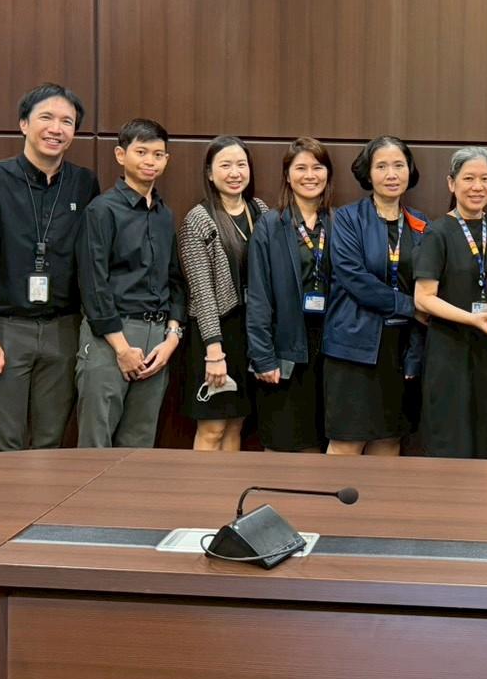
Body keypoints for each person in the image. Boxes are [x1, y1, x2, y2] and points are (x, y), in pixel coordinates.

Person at [0, 83, 100, 452]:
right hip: (6, 328)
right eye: (46, 118)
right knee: (2, 445)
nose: (56, 129)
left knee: (50, 445)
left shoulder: (84, 183)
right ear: (24, 124)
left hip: (64, 329)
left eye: (67, 121)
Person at [75, 118, 186, 449]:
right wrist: (122, 349)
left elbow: (175, 280)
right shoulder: (102, 210)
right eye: (142, 152)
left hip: (157, 340)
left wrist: (172, 338)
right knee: (96, 443)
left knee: (139, 447)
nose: (151, 161)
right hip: (111, 336)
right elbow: (93, 284)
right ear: (121, 155)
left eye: (158, 154)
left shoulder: (165, 215)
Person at [413, 147, 487, 459]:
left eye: (485, 179)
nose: (477, 187)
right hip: (449, 352)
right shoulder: (437, 232)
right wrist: (471, 318)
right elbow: (423, 299)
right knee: (451, 442)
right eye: (469, 178)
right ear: (451, 183)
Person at [324, 136, 428, 456]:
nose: (391, 174)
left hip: (401, 349)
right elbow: (354, 279)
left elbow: (426, 282)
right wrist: (412, 306)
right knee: (347, 443)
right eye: (381, 166)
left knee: (389, 441)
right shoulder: (347, 218)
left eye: (399, 165)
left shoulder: (421, 224)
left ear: (409, 171)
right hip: (354, 348)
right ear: (368, 174)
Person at [177, 136, 268, 452]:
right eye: (225, 165)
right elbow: (202, 293)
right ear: (210, 173)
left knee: (237, 422)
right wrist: (214, 352)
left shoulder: (260, 211)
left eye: (241, 164)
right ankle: (201, 486)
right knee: (213, 427)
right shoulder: (199, 219)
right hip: (215, 334)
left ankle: (229, 484)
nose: (235, 173)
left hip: (250, 331)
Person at [246, 137, 333, 453]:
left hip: (329, 352)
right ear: (287, 175)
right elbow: (258, 296)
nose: (310, 175)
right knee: (281, 446)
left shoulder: (338, 222)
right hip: (284, 349)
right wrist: (263, 356)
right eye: (301, 168)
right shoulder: (270, 225)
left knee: (319, 444)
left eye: (317, 167)